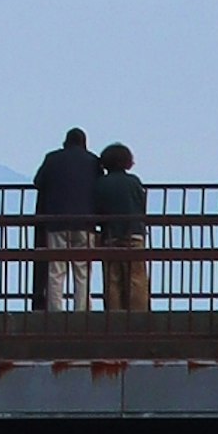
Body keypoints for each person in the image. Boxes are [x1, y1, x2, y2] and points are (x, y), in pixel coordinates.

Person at [31, 124, 97, 315]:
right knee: (82, 270)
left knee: (56, 268)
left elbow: (38, 182)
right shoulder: (93, 161)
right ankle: (81, 311)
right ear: (84, 144)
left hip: (56, 222)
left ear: (65, 143)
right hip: (85, 223)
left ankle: (55, 311)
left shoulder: (52, 158)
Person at [96, 137, 151, 322]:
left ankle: (114, 318)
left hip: (110, 235)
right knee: (136, 278)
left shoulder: (101, 183)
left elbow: (98, 208)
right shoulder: (134, 181)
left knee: (113, 279)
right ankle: (138, 317)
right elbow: (141, 205)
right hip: (134, 232)